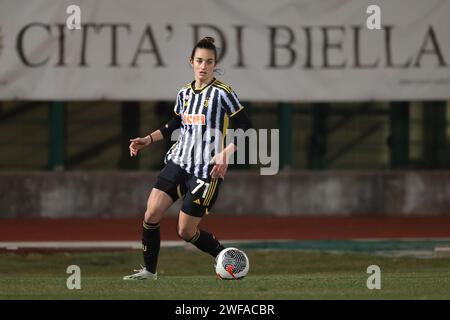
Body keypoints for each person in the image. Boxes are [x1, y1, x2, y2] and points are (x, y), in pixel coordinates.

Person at [123, 37, 253, 280]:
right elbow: (174, 124)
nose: (204, 66)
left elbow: (246, 128)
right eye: (200, 61)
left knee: (185, 230)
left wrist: (225, 155)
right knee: (151, 214)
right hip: (179, 161)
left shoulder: (223, 93)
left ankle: (225, 257)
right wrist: (147, 140)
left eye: (209, 62)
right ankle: (149, 271)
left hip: (207, 170)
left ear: (215, 65)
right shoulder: (184, 93)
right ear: (191, 62)